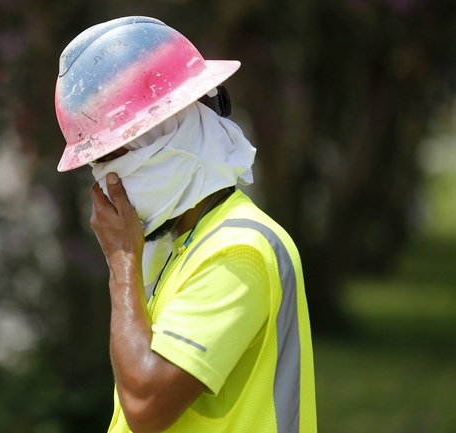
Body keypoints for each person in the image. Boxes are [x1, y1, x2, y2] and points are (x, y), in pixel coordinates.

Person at [55, 16, 317, 433]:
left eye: (110, 157)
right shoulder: (183, 246)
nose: (104, 183)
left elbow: (146, 404)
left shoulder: (237, 251)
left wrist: (122, 261)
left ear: (170, 136)